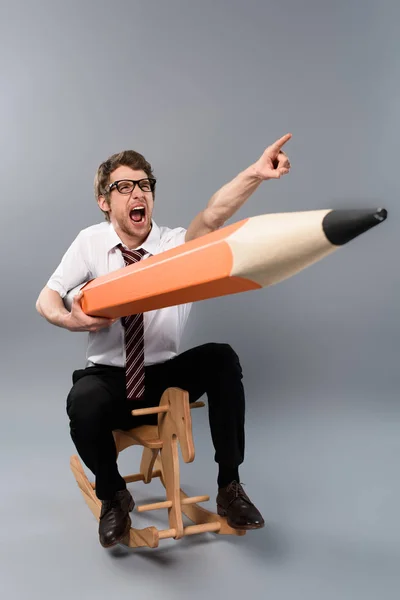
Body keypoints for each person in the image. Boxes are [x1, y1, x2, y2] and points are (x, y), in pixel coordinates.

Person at [36, 133, 292, 548]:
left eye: (144, 185)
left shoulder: (175, 245)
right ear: (105, 201)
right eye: (124, 187)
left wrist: (255, 174)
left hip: (164, 374)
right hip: (110, 378)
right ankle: (114, 495)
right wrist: (69, 318)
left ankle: (230, 486)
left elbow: (211, 217)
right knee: (82, 402)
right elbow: (45, 297)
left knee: (222, 358)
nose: (138, 193)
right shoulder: (90, 242)